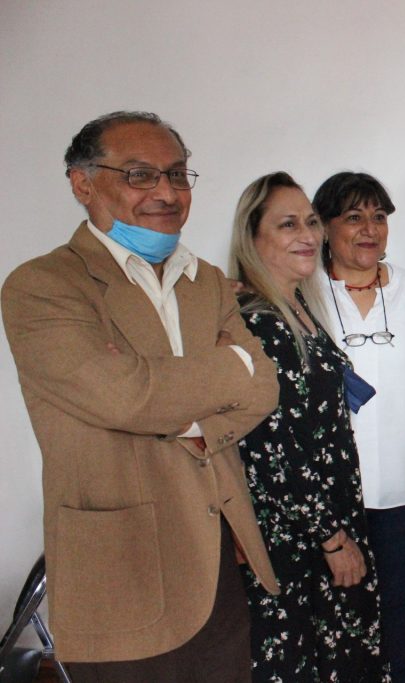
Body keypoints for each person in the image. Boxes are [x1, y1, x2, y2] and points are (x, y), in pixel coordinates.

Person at [1, 111, 280, 682]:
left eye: (177, 174)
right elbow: (124, 397)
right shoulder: (43, 285)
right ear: (83, 184)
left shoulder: (205, 279)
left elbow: (263, 386)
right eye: (139, 175)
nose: (166, 192)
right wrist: (229, 367)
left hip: (218, 554)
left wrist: (179, 405)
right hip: (119, 565)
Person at [229, 172, 389, 682]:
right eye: (288, 224)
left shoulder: (299, 309)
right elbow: (270, 451)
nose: (308, 235)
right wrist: (331, 538)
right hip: (295, 537)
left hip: (327, 518)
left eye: (312, 222)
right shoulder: (258, 324)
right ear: (253, 237)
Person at [311, 171, 405, 682]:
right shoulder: (304, 290)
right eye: (354, 217)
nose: (369, 229)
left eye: (378, 217)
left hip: (404, 480)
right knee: (333, 598)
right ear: (325, 227)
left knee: (395, 595)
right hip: (330, 486)